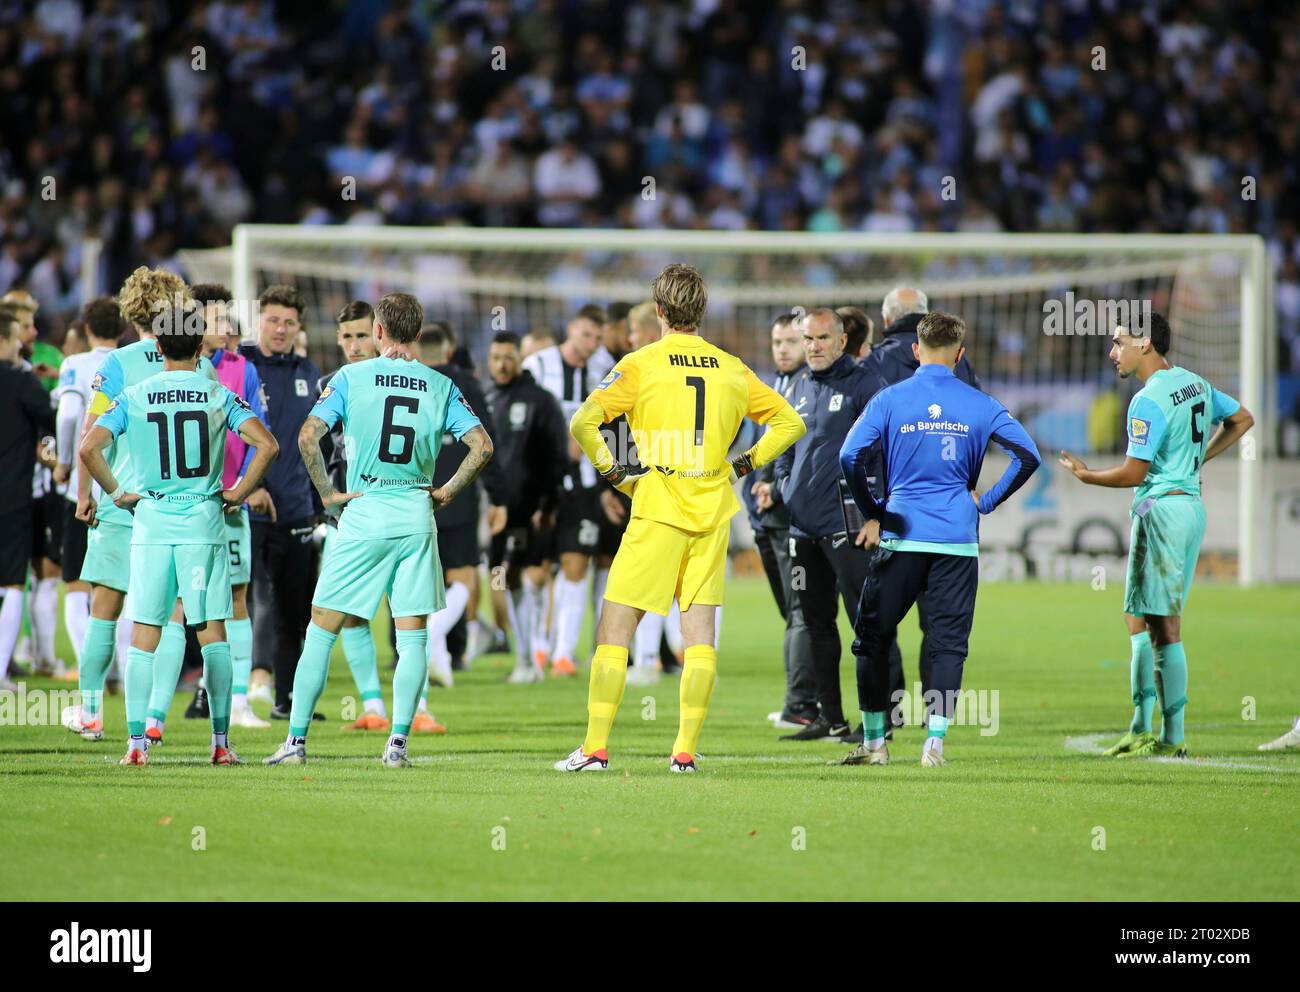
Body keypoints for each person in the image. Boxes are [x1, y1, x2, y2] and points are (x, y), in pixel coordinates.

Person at [554, 263, 805, 773]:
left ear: (662, 311)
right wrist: (742, 465)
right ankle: (684, 752)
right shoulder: (732, 368)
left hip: (657, 509)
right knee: (699, 639)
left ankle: (596, 749)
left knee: (614, 633)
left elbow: (584, 421)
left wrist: (617, 474)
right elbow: (790, 422)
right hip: (712, 513)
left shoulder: (642, 363)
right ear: (701, 312)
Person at [264, 292, 494, 768]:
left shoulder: (351, 377)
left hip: (364, 512)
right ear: (420, 331)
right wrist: (448, 489)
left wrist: (328, 494)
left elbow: (308, 436)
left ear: (379, 332)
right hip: (415, 515)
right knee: (412, 637)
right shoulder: (440, 384)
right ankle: (397, 745)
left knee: (322, 629)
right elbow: (482, 445)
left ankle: (297, 743)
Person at [79, 299, 278, 765]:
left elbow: (90, 447)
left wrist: (118, 493)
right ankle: (221, 743)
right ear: (200, 344)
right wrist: (237, 491)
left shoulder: (137, 394)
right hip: (204, 526)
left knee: (144, 631)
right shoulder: (214, 392)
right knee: (212, 630)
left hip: (150, 524)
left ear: (159, 343)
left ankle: (134, 744)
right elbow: (266, 444)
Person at [839, 311, 1040, 766]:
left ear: (915, 351)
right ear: (960, 354)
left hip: (902, 538)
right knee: (947, 641)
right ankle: (934, 743)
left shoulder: (891, 399)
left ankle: (875, 744)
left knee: (872, 636)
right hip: (956, 541)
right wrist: (984, 502)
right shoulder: (980, 403)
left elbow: (850, 456)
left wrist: (873, 511)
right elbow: (1027, 456)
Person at [1059, 314, 1253, 759]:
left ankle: (1171, 736)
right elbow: (1242, 419)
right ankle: (1142, 726)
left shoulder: (1146, 402)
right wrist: (1198, 458)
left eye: (1118, 342)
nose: (1113, 352)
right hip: (1188, 508)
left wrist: (1088, 477)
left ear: (1144, 343)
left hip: (1161, 512)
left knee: (1164, 626)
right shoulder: (1194, 383)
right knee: (1139, 618)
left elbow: (1133, 472)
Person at [62, 267, 214, 742]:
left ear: (131, 308)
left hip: (121, 499)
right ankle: (154, 719)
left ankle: (90, 714)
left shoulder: (118, 362)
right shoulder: (199, 364)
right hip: (181, 508)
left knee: (104, 607)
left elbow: (93, 436)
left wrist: (87, 494)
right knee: (171, 614)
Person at [762, 308, 893, 743]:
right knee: (816, 624)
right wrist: (783, 485)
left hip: (850, 527)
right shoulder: (798, 387)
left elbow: (888, 453)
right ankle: (830, 718)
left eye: (822, 338)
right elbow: (782, 445)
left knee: (868, 623)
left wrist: (876, 515)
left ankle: (884, 719)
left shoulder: (866, 386)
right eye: (808, 339)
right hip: (803, 531)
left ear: (841, 342)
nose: (814, 346)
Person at [239, 285, 322, 720]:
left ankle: (286, 699)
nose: (280, 329)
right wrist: (247, 486)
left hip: (295, 507)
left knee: (294, 608)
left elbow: (316, 445)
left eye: (289, 322)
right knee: (234, 601)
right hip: (244, 504)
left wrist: (317, 501)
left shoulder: (310, 371)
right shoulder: (239, 365)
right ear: (260, 321)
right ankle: (221, 695)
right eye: (273, 320)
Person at [522, 307, 615, 676]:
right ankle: (536, 647)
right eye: (586, 334)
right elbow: (521, 420)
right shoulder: (538, 366)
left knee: (577, 564)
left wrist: (614, 480)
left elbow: (614, 428)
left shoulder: (603, 374)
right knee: (537, 571)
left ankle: (563, 653)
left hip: (584, 488)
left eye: (597, 337)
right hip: (542, 486)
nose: (591, 343)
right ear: (572, 328)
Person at [318, 300, 397, 732]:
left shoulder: (404, 380)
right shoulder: (330, 384)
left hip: (395, 510)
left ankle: (418, 707)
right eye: (346, 337)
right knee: (349, 612)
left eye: (361, 335)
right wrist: (327, 499)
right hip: (345, 518)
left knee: (405, 610)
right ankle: (373, 707)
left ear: (379, 334)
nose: (353, 345)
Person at [415, 323, 509, 688]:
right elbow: (488, 442)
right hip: (457, 493)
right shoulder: (465, 384)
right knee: (465, 578)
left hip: (414, 493)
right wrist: (497, 497)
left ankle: (420, 650)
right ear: (450, 348)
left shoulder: (408, 380)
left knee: (419, 581)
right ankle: (439, 643)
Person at [483, 331, 569, 684]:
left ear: (520, 359)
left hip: (532, 508)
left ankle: (535, 653)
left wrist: (547, 504)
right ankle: (524, 655)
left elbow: (557, 456)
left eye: (509, 357)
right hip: (496, 509)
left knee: (534, 576)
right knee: (503, 578)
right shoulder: (485, 398)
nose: (502, 365)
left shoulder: (540, 400)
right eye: (495, 357)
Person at [745, 313, 816, 726]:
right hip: (766, 520)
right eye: (777, 342)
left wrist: (774, 483)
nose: (784, 349)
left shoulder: (810, 388)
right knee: (793, 613)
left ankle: (802, 705)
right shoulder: (774, 385)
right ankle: (805, 701)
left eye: (791, 341)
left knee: (802, 613)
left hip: (792, 520)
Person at [52, 299, 124, 682]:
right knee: (127, 584)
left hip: (86, 489)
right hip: (127, 487)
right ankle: (125, 671)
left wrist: (64, 462)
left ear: (86, 329)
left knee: (78, 582)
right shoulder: (137, 361)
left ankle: (90, 671)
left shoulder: (75, 365)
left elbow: (67, 416)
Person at [0, 309, 55, 691]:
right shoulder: (22, 383)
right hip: (12, 497)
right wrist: (49, 453)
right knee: (13, 584)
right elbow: (51, 426)